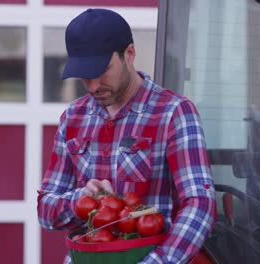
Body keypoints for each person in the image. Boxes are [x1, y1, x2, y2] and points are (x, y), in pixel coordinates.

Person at [37, 8, 216, 264]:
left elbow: (200, 204)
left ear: (129, 54)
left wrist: (156, 262)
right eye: (85, 76)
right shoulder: (73, 117)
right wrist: (81, 201)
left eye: (102, 71)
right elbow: (46, 210)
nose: (93, 86)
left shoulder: (173, 113)